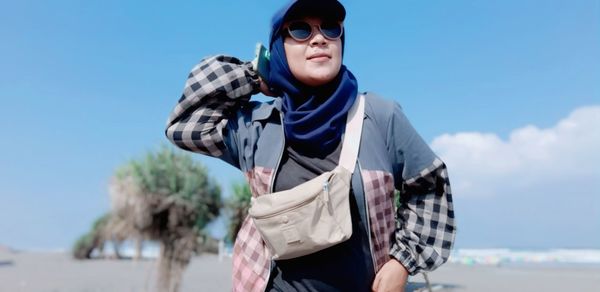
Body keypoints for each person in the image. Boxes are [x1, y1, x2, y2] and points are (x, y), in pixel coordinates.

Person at [164, 0, 456, 291]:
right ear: (280, 47)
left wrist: (402, 261)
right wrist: (255, 74)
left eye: (331, 29)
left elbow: (430, 186)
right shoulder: (257, 125)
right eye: (301, 30)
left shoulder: (380, 117)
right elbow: (185, 125)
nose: (319, 38)